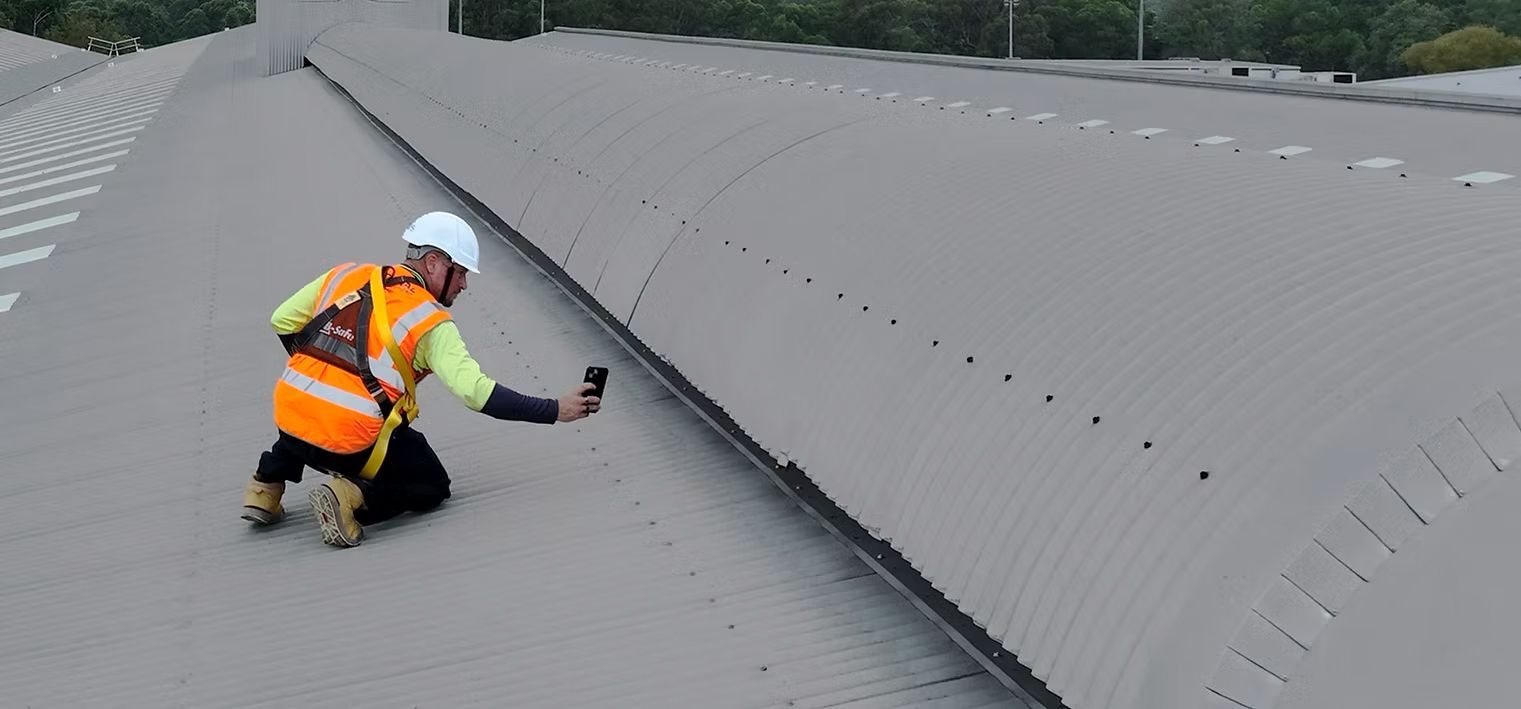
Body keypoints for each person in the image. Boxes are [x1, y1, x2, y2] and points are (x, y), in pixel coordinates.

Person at [241, 211, 600, 547]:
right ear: (433, 262)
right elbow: (477, 394)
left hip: (289, 419)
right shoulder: (430, 322)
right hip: (347, 443)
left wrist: (326, 366)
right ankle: (349, 497)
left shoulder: (345, 275)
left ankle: (265, 487)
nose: (463, 285)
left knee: (310, 406)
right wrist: (555, 409)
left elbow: (281, 320)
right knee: (431, 483)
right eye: (460, 273)